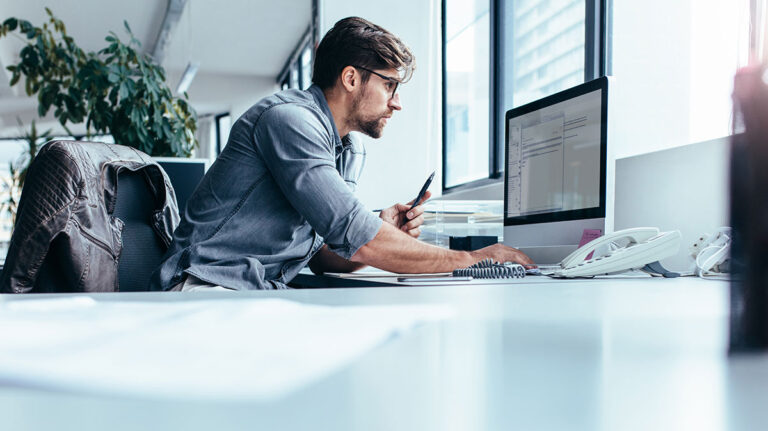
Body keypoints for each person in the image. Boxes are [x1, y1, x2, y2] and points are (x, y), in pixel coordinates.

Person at [150, 17, 532, 292]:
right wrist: (475, 260)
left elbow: (320, 256)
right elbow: (359, 236)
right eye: (389, 85)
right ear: (351, 78)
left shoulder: (348, 147)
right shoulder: (289, 121)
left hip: (257, 292)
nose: (397, 103)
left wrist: (381, 226)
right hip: (206, 287)